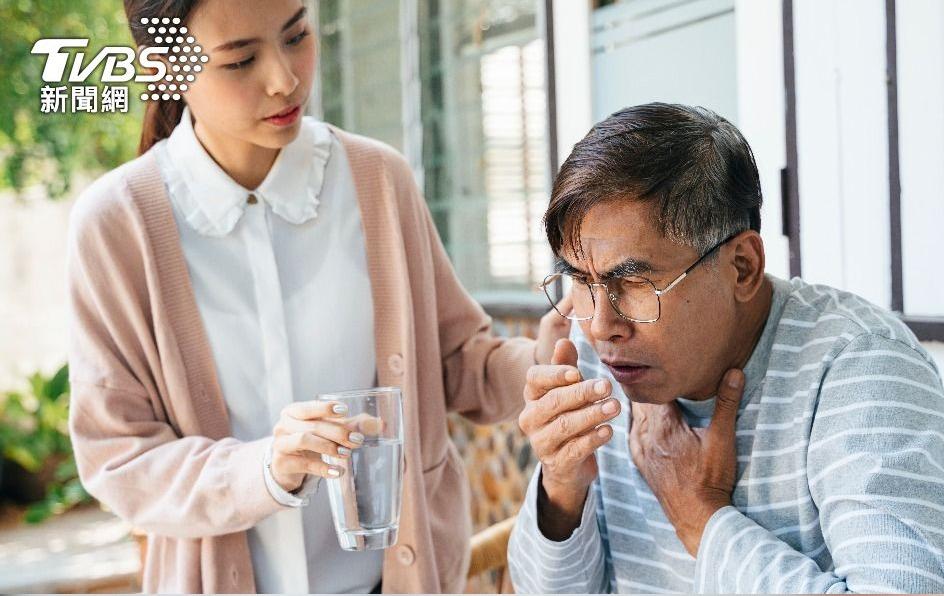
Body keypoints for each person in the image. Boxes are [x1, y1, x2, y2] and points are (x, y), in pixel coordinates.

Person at [66, 0, 568, 592]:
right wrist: (265, 469)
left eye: (297, 34)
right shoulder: (118, 224)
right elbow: (118, 457)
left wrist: (540, 366)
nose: (284, 78)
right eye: (240, 60)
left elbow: (457, 358)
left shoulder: (379, 182)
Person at [507, 103, 944, 593]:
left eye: (636, 283)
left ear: (742, 267)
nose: (602, 326)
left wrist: (703, 520)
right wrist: (561, 488)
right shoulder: (588, 351)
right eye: (581, 281)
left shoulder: (862, 367)